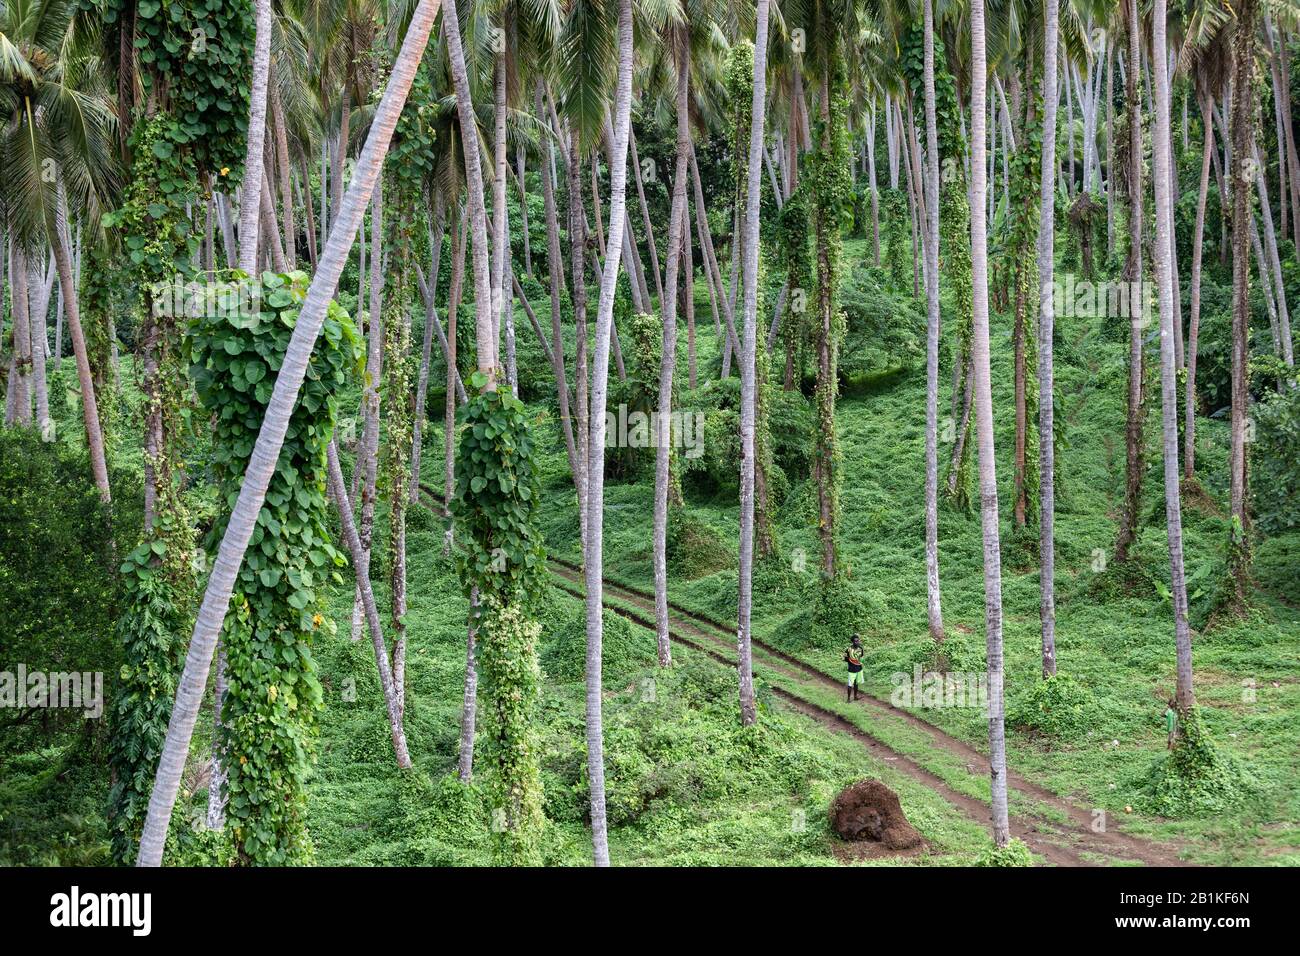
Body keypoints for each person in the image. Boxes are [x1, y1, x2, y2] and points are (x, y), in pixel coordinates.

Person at [844, 633, 865, 702]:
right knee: (850, 684)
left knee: (856, 683)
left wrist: (856, 662)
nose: (857, 642)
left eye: (858, 640)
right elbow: (845, 659)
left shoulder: (860, 648)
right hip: (852, 669)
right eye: (855, 641)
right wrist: (852, 662)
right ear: (852, 642)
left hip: (859, 668)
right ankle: (848, 699)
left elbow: (861, 656)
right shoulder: (848, 650)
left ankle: (855, 697)